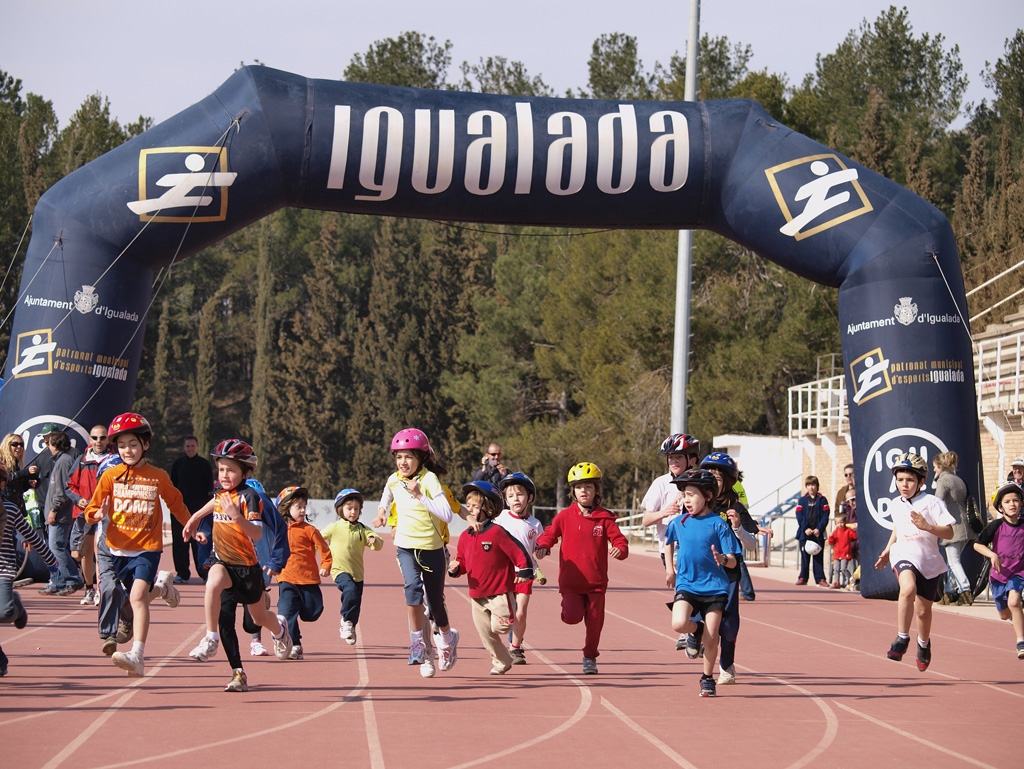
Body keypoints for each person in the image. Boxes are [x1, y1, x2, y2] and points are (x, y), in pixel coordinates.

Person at [83, 412, 190, 677]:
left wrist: (191, 525)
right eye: (121, 445)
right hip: (118, 549)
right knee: (138, 598)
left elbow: (176, 503)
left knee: (136, 596)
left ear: (145, 444)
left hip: (147, 548)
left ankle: (137, 656)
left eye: (133, 444)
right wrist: (96, 514)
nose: (127, 450)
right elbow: (92, 509)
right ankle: (163, 588)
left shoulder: (157, 476)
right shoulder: (110, 476)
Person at [183, 439, 293, 692]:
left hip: (247, 569)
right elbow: (216, 503)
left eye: (231, 470)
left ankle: (279, 630)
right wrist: (195, 518)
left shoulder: (250, 497)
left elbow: (255, 533)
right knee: (216, 593)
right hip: (223, 563)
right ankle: (225, 657)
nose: (224, 475)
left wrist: (237, 518)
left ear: (246, 472)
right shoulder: (221, 494)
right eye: (221, 469)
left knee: (259, 618)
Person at [371, 428, 460, 677]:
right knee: (412, 590)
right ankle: (417, 642)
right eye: (398, 457)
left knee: (435, 604)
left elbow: (447, 514)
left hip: (431, 550)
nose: (403, 462)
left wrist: (420, 495)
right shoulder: (394, 479)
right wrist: (381, 512)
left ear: (420, 457)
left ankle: (446, 637)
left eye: (408, 457)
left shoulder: (429, 479)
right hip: (406, 547)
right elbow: (387, 495)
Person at [535, 461, 628, 675]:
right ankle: (576, 610)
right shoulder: (564, 517)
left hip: (596, 584)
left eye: (588, 487)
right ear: (572, 491)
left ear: (597, 490)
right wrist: (543, 545)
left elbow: (620, 542)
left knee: (595, 625)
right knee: (571, 617)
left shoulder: (605, 518)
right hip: (571, 583)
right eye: (579, 487)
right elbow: (550, 533)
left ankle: (589, 656)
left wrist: (619, 550)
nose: (583, 491)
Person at [874, 453, 955, 672]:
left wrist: (928, 526)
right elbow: (898, 529)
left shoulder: (932, 503)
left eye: (909, 480)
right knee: (907, 588)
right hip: (903, 553)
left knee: (923, 612)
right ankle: (901, 638)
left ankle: (924, 644)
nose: (904, 484)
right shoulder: (895, 504)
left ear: (921, 481)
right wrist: (887, 550)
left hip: (928, 560)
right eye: (900, 480)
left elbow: (949, 532)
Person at [664, 468, 741, 698]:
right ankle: (695, 630)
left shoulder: (718, 524)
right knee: (678, 624)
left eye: (691, 494)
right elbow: (668, 541)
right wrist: (669, 568)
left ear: (707, 496)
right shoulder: (679, 523)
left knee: (712, 636)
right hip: (687, 584)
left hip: (715, 588)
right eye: (684, 495)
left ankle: (707, 679)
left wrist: (722, 559)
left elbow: (733, 561)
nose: (686, 500)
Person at [449, 480, 532, 675]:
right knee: (486, 634)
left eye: (475, 507)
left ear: (488, 507)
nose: (469, 511)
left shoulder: (497, 532)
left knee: (499, 627)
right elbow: (462, 561)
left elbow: (518, 553)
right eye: (467, 507)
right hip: (477, 595)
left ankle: (509, 617)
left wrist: (525, 570)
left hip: (500, 593)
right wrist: (456, 568)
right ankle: (502, 662)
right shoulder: (464, 536)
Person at [698, 451, 761, 685]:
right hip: (702, 572)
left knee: (729, 626)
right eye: (710, 475)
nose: (714, 480)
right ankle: (694, 637)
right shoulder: (698, 505)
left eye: (718, 476)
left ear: (728, 480)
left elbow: (752, 545)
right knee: (699, 616)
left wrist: (738, 529)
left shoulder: (736, 507)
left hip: (729, 573)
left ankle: (726, 665)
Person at [640, 433, 701, 650]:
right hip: (671, 548)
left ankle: (693, 628)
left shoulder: (701, 482)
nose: (673, 462)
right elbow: (646, 520)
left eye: (678, 458)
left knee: (697, 588)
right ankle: (689, 629)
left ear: (691, 459)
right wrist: (664, 512)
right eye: (670, 458)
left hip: (698, 546)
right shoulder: (661, 483)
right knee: (684, 587)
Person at [0, 462, 58, 676]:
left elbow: (33, 536)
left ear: (3, 483)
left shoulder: (11, 509)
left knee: (4, 612)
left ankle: (16, 604)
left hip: (3, 569)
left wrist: (51, 561)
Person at [275, 485, 332, 660]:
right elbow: (270, 549)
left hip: (308, 580)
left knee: (313, 612)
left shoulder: (310, 530)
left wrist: (326, 564)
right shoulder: (279, 530)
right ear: (286, 508)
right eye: (298, 507)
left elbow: (325, 550)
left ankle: (297, 611)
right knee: (286, 614)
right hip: (286, 579)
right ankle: (295, 644)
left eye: (304, 507)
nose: (302, 510)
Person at [322, 488, 383, 646]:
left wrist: (373, 540)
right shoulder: (334, 527)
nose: (353, 512)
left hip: (358, 573)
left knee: (356, 601)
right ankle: (346, 620)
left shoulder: (362, 530)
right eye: (349, 508)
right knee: (350, 591)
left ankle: (351, 625)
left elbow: (378, 543)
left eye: (356, 509)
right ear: (340, 509)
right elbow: (318, 541)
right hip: (339, 570)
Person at [495, 472, 544, 664]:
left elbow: (538, 548)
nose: (516, 498)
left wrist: (541, 552)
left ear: (529, 497)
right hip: (504, 573)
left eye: (520, 494)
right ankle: (502, 641)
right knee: (505, 613)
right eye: (511, 495)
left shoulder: (535, 524)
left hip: (525, 573)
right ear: (506, 500)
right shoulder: (500, 518)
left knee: (521, 611)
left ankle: (515, 648)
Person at [972, 482, 1024, 659]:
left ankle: (1021, 642)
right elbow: (977, 545)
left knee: (1014, 602)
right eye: (1007, 501)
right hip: (998, 575)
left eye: (1016, 500)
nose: (1012, 504)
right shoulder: (995, 526)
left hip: (1018, 573)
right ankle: (1016, 619)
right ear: (1000, 507)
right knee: (1003, 613)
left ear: (1021, 504)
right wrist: (992, 555)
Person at [91, 454, 136, 657]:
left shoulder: (135, 498)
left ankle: (128, 619)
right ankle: (109, 635)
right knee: (109, 587)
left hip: (131, 549)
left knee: (129, 592)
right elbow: (95, 527)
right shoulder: (101, 499)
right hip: (107, 549)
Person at [243, 478, 290, 657]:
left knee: (253, 614)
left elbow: (280, 534)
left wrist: (274, 562)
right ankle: (213, 636)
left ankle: (256, 640)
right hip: (237, 563)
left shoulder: (268, 515)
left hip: (260, 568)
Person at [66, 425, 112, 606]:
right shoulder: (82, 460)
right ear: (90, 440)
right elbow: (70, 485)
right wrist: (78, 500)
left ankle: (103, 589)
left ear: (108, 440)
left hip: (107, 514)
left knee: (103, 553)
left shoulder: (114, 460)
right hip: (85, 513)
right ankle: (89, 589)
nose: (98, 441)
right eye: (95, 438)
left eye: (102, 438)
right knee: (85, 553)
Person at [40, 430, 84, 596]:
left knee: (56, 547)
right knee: (54, 549)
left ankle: (73, 578)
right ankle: (58, 582)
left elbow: (63, 490)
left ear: (55, 444)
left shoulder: (64, 461)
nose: (47, 446)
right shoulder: (60, 461)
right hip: (57, 513)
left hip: (60, 514)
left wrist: (54, 509)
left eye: (48, 443)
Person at [170, 435, 215, 583]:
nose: (190, 449)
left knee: (201, 542)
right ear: (184, 448)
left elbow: (210, 489)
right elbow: (173, 487)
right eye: (188, 446)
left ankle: (205, 573)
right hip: (180, 512)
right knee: (180, 543)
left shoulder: (204, 465)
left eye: (192, 446)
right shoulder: (178, 464)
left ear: (197, 447)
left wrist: (208, 511)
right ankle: (182, 574)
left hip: (200, 512)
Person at [932, 451, 974, 605]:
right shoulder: (958, 480)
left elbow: (937, 502)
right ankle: (949, 592)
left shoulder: (943, 481)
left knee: (954, 561)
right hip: (965, 525)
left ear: (940, 466)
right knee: (952, 561)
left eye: (935, 467)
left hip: (953, 526)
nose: (934, 470)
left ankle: (965, 590)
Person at [795, 476, 829, 586]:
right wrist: (805, 528)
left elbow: (825, 516)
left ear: (817, 486)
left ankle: (820, 579)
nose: (811, 487)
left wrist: (819, 528)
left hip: (818, 534)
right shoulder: (802, 500)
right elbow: (799, 515)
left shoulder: (822, 500)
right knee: (805, 557)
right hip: (805, 534)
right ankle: (803, 578)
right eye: (809, 485)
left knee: (818, 557)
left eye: (813, 485)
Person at [827, 512, 857, 589]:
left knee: (843, 568)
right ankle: (836, 583)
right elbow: (831, 542)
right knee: (836, 569)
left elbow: (855, 536)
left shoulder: (847, 531)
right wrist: (830, 537)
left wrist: (853, 529)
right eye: (838, 523)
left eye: (841, 523)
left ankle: (850, 580)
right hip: (837, 554)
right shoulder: (835, 532)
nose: (840, 525)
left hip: (845, 553)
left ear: (844, 523)